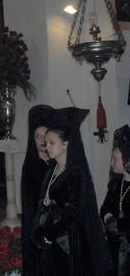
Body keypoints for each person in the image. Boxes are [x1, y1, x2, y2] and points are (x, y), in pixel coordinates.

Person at [31, 108, 110, 276]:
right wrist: (40, 228)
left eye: (52, 142)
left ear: (66, 143)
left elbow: (74, 211)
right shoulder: (51, 169)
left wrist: (50, 232)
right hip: (50, 238)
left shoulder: (76, 172)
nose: (47, 147)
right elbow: (44, 201)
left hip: (68, 240)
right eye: (46, 142)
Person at [21, 105, 55, 276]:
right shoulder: (32, 167)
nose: (42, 141)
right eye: (38, 137)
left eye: (45, 136)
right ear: (33, 140)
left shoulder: (58, 164)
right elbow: (33, 206)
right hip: (40, 231)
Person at [101, 125, 130, 276]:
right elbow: (105, 207)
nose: (112, 162)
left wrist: (122, 225)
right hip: (113, 248)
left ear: (127, 160)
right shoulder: (116, 183)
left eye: (116, 158)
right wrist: (109, 218)